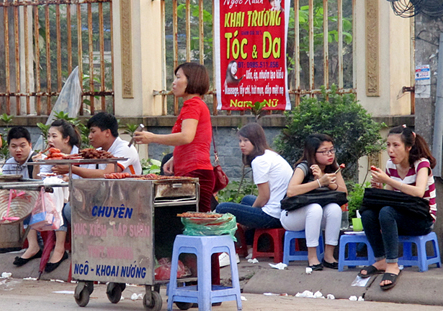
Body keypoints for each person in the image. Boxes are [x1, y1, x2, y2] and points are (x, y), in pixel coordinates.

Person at [133, 62, 219, 284]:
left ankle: (201, 281)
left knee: (194, 229)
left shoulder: (192, 105)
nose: (174, 81)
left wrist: (152, 138)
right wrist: (174, 157)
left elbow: (186, 136)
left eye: (178, 77)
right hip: (191, 173)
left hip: (197, 175)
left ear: (191, 81)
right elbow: (193, 139)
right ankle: (186, 276)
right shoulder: (194, 105)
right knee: (176, 223)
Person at [359, 125, 436, 290]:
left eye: (395, 145)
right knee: (368, 213)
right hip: (400, 216)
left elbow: (418, 192)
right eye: (388, 145)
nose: (390, 150)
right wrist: (380, 187)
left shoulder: (421, 164)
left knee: (387, 212)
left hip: (422, 219)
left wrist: (389, 180)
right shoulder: (390, 165)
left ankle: (392, 264)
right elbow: (391, 197)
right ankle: (380, 260)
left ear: (408, 147)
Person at [13, 119, 79, 273]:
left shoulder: (78, 155)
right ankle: (33, 245)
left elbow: (82, 178)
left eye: (54, 136)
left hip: (75, 196)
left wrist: (69, 176)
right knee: (28, 198)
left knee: (59, 206)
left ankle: (59, 248)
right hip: (54, 192)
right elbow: (39, 178)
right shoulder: (50, 154)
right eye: (48, 136)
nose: (50, 140)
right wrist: (37, 164)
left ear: (66, 139)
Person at [215, 123, 293, 252]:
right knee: (247, 199)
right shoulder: (270, 155)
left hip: (272, 216)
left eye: (246, 140)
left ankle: (225, 251)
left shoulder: (259, 161)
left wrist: (249, 214)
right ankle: (251, 248)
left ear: (255, 141)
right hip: (282, 210)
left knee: (223, 208)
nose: (241, 144)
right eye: (240, 141)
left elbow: (264, 196)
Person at [59, 112, 142, 224]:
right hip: (104, 200)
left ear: (107, 132)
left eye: (93, 131)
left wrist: (72, 169)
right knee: (68, 208)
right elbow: (87, 178)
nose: (89, 136)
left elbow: (106, 173)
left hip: (126, 202)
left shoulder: (125, 148)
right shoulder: (97, 152)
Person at [280, 133, 347, 271]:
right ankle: (312, 257)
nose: (330, 154)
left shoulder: (333, 169)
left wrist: (325, 180)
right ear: (313, 153)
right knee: (315, 208)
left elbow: (343, 193)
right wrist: (318, 182)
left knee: (334, 208)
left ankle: (329, 256)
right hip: (293, 216)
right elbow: (291, 191)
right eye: (324, 151)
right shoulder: (304, 167)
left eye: (331, 150)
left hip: (317, 217)